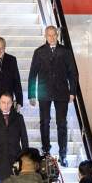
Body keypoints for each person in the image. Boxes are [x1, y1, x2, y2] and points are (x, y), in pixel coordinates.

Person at [28, 26, 78, 167]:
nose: (51, 37)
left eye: (54, 35)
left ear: (57, 35)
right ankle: (46, 151)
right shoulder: (39, 52)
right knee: (44, 122)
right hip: (44, 93)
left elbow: (73, 73)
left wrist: (72, 92)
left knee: (62, 124)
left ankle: (63, 154)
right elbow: (33, 74)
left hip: (62, 93)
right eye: (49, 35)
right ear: (45, 35)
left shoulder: (65, 52)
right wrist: (32, 94)